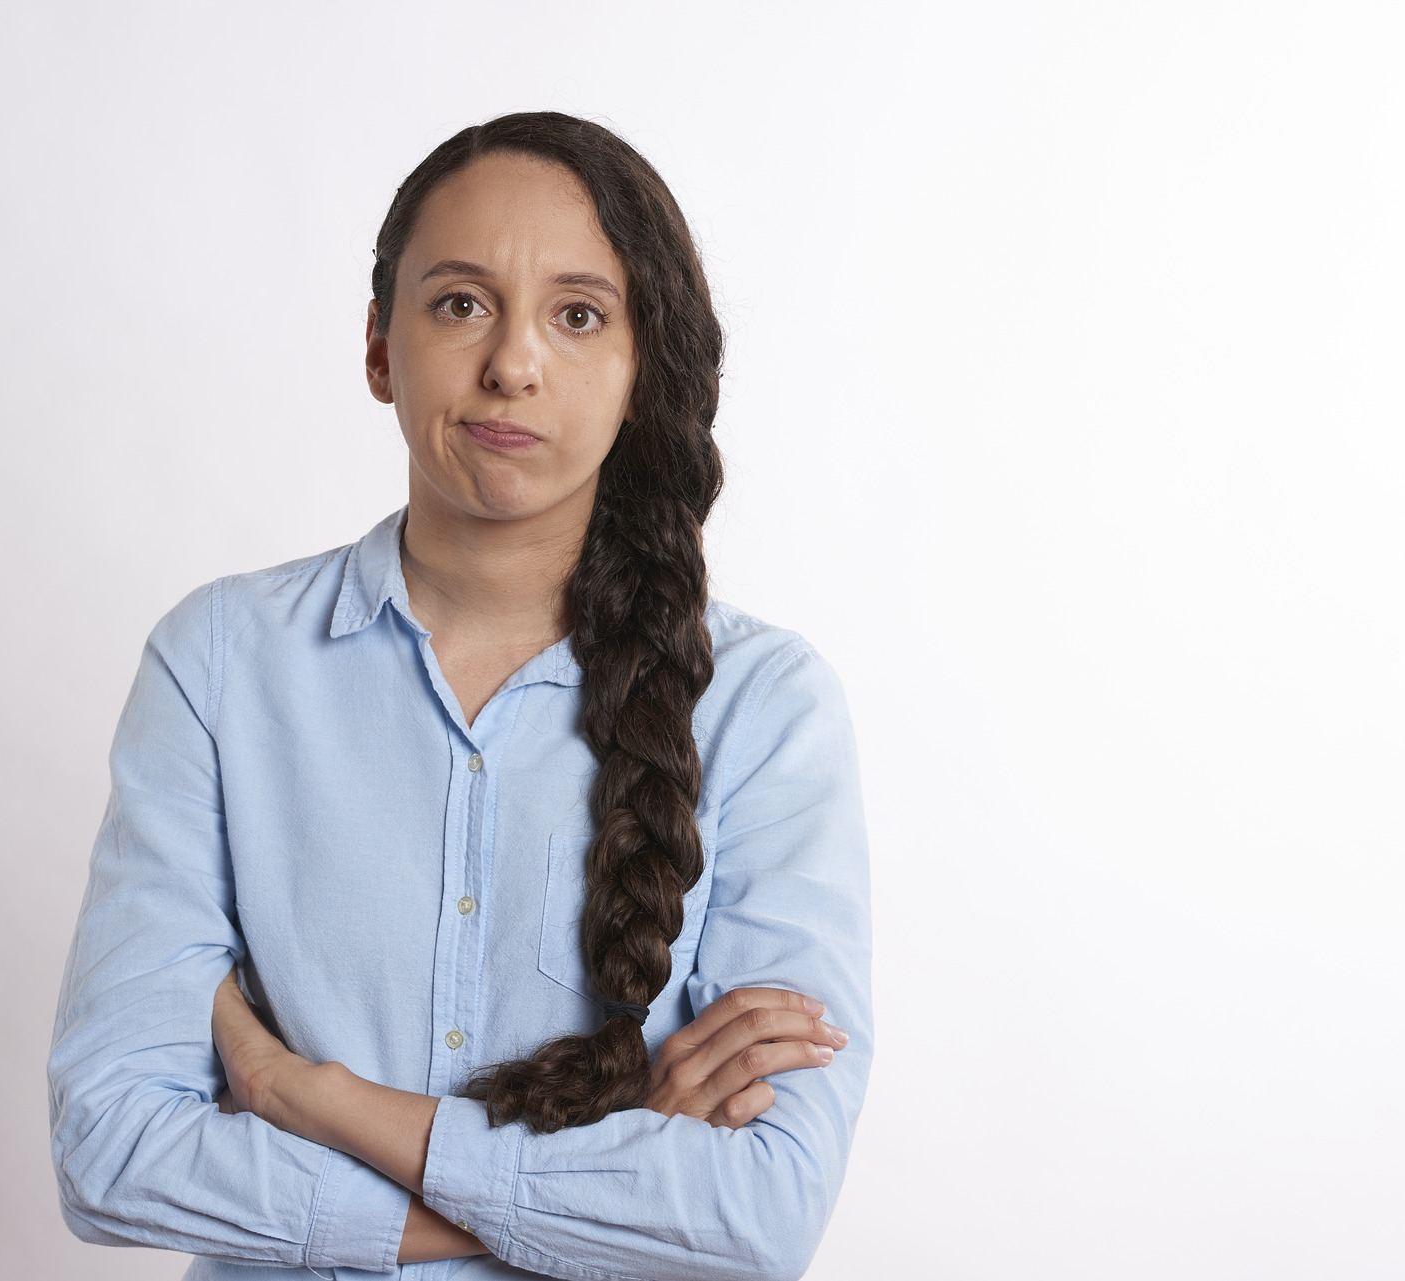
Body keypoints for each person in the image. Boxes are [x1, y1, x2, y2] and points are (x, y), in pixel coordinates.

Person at [46, 110, 873, 1281]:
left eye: (578, 315)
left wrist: (309, 1095)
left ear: (643, 369)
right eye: (460, 303)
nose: (513, 363)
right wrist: (594, 1180)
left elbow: (759, 1214)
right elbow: (111, 1149)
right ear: (381, 346)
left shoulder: (763, 708)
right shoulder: (221, 664)